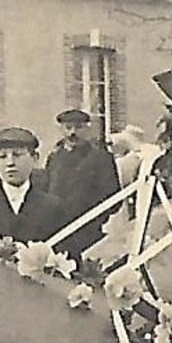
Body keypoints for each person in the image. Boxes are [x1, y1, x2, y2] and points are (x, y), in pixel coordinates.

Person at [0, 127, 71, 246]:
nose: (10, 163)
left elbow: (68, 256)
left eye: (17, 155)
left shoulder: (54, 208)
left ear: (35, 158)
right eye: (2, 157)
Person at [45, 108, 122, 255]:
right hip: (57, 229)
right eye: (68, 128)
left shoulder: (100, 158)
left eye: (78, 127)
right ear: (61, 129)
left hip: (88, 230)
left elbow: (113, 196)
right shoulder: (54, 158)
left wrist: (95, 219)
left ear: (87, 129)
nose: (72, 133)